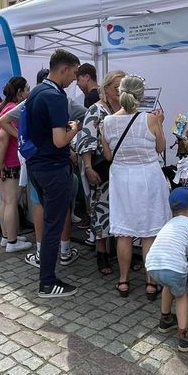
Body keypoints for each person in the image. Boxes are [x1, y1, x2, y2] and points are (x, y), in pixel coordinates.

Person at [101, 74, 170, 299]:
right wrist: (160, 123)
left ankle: (123, 281)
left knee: (124, 232)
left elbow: (108, 155)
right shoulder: (150, 119)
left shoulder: (107, 121)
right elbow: (160, 148)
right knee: (149, 233)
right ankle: (151, 283)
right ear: (141, 96)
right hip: (148, 176)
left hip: (122, 178)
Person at [24, 49, 82, 298]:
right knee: (53, 226)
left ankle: (47, 276)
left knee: (50, 222)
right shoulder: (56, 97)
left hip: (36, 165)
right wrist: (75, 129)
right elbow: (60, 141)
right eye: (75, 73)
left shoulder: (37, 90)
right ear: (64, 69)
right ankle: (47, 282)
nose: (75, 80)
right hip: (53, 167)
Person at [145, 187, 188, 352]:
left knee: (168, 286)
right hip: (173, 268)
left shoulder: (168, 223)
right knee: (181, 295)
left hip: (152, 265)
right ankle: (184, 335)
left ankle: (165, 319)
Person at [78, 70, 126, 275]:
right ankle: (102, 253)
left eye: (122, 87)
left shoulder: (127, 108)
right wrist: (88, 167)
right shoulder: (96, 110)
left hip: (124, 169)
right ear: (105, 88)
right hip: (102, 168)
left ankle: (123, 252)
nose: (119, 90)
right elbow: (86, 139)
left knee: (124, 210)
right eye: (116, 87)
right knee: (102, 210)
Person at [0, 76, 32, 253]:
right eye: (27, 89)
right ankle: (13, 242)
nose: (29, 92)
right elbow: (2, 136)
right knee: (11, 201)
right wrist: (1, 162)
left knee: (5, 200)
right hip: (8, 161)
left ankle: (7, 236)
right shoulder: (12, 110)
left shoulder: (1, 106)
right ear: (20, 92)